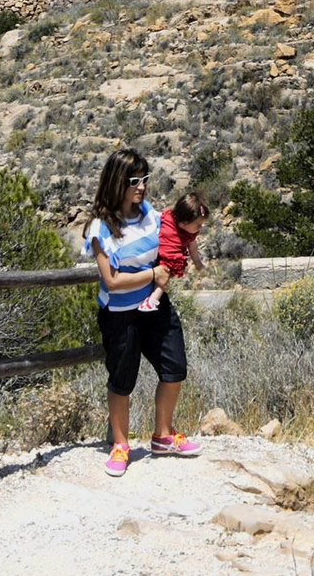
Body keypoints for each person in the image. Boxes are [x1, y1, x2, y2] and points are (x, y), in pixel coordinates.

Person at [82, 149, 201, 477]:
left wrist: (182, 257)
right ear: (117, 182)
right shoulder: (100, 227)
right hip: (120, 313)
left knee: (174, 366)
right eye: (134, 180)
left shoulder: (149, 213)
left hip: (154, 305)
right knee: (123, 379)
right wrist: (154, 275)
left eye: (145, 179)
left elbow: (173, 238)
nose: (142, 187)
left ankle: (163, 435)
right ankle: (121, 445)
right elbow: (112, 280)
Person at [138, 192, 209, 313]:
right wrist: (195, 263)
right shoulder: (170, 232)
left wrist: (197, 262)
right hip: (166, 256)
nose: (200, 228)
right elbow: (184, 247)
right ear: (182, 224)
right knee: (165, 275)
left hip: (157, 257)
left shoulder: (177, 222)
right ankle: (151, 301)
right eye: (198, 225)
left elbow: (192, 245)